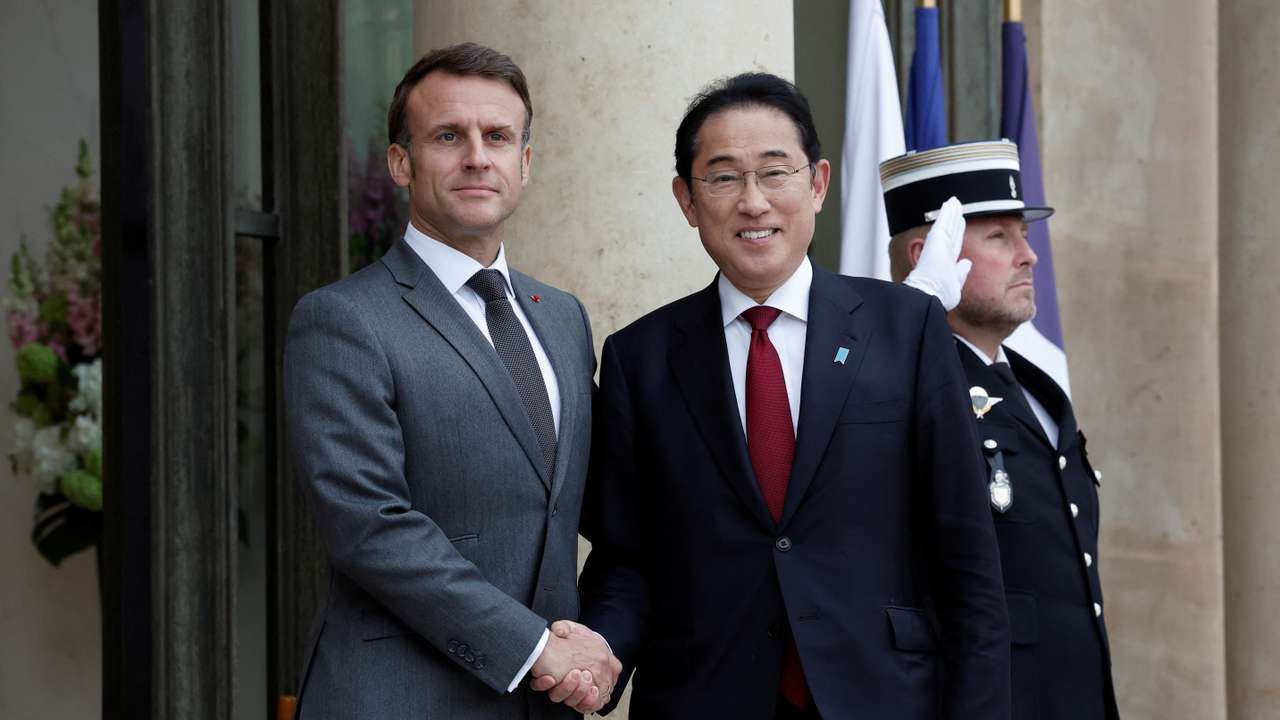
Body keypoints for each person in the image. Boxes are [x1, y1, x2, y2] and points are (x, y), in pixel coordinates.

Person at [541, 73, 1010, 719]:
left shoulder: (904, 328)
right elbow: (629, 557)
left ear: (817, 184)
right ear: (687, 199)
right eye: (724, 177)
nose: (753, 202)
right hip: (704, 699)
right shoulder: (640, 358)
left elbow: (967, 552)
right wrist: (600, 651)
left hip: (883, 695)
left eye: (775, 172)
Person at [283, 42, 619, 719]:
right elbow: (371, 527)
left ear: (524, 162)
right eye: (447, 136)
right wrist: (533, 647)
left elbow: (589, 505)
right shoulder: (342, 320)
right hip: (397, 698)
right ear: (400, 163)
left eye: (497, 136)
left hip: (542, 703)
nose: (476, 157)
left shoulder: (561, 317)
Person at [882, 139, 1119, 719]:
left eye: (1024, 235)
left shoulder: (1037, 390)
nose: (1029, 256)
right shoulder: (900, 389)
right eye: (998, 237)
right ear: (927, 256)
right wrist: (910, 320)